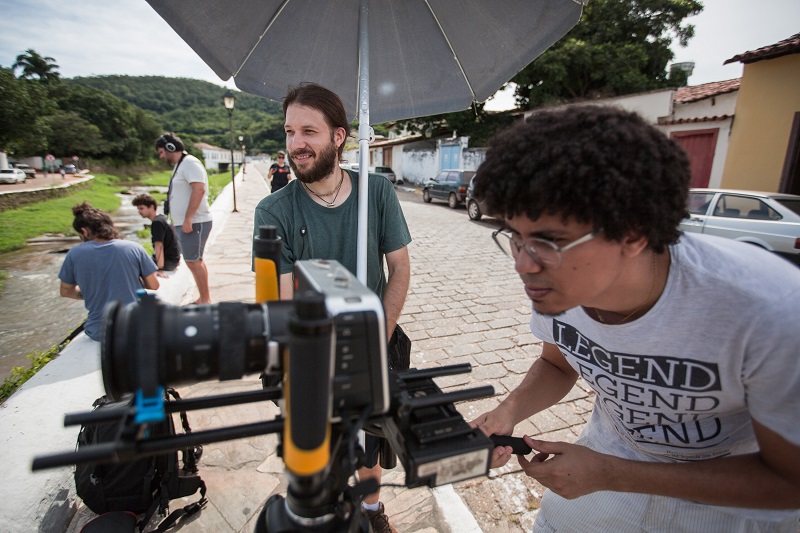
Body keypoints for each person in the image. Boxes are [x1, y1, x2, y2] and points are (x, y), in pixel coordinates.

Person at [470, 105, 800, 532]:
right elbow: (558, 363)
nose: (523, 264)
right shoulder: (559, 283)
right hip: (602, 469)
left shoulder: (768, 310)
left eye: (549, 241)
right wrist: (509, 411)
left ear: (633, 233)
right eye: (515, 237)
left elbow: (789, 481)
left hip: (727, 496)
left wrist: (613, 474)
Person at [253, 82, 411, 533]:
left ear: (339, 137)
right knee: (316, 451)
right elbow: (278, 300)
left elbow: (399, 269)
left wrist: (375, 341)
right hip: (306, 353)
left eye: (309, 132)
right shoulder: (273, 211)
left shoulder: (377, 192)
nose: (296, 144)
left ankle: (373, 510)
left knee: (370, 442)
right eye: (289, 132)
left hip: (377, 339)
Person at [59, 202, 159, 342]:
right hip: (136, 327)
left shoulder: (74, 253)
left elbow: (65, 291)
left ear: (84, 231)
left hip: (100, 332)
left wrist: (93, 293)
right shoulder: (133, 248)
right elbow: (154, 285)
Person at [155, 132, 213, 304]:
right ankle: (204, 298)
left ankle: (205, 299)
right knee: (195, 261)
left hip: (195, 222)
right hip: (189, 222)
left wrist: (188, 218)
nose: (161, 156)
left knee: (193, 261)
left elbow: (199, 189)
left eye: (161, 152)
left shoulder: (189, 163)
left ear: (170, 147)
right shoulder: (181, 165)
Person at [132, 193, 181, 277]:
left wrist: (160, 269)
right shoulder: (163, 218)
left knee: (132, 264)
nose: (139, 212)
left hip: (167, 263)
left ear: (151, 207)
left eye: (141, 208)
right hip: (173, 260)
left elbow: (159, 246)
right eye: (138, 209)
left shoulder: (157, 223)